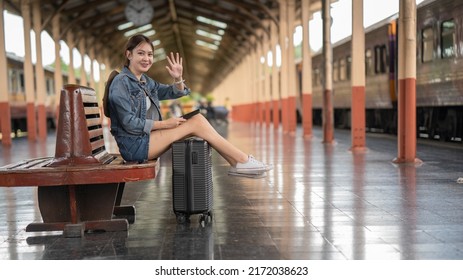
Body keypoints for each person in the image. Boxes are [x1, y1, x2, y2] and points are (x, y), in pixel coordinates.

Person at [108, 34, 272, 178]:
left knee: (198, 120)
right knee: (197, 122)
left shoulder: (145, 81)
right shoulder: (121, 82)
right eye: (141, 53)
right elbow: (128, 122)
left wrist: (178, 78)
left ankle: (238, 163)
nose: (146, 58)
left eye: (150, 54)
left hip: (144, 140)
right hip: (134, 146)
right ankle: (242, 161)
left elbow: (171, 92)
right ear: (128, 54)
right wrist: (164, 124)